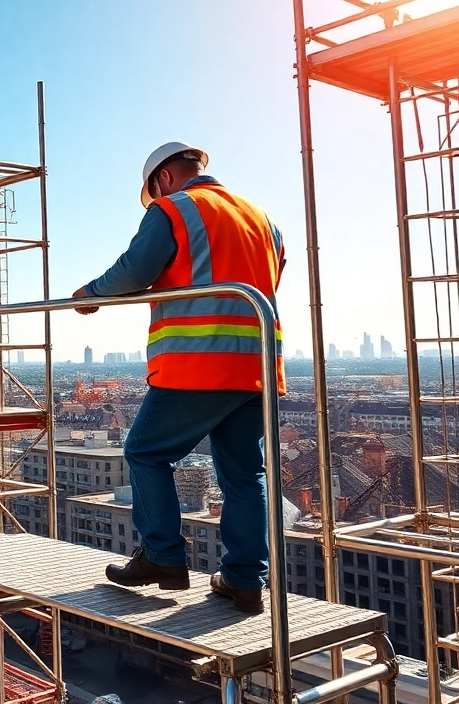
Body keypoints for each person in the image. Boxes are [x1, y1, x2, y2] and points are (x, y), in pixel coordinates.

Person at [71, 142, 286, 614]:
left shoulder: (174, 208)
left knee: (145, 450)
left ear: (162, 179)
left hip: (199, 358)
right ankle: (245, 579)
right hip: (256, 363)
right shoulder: (260, 217)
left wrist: (91, 293)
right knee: (245, 472)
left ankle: (163, 557)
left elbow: (136, 268)